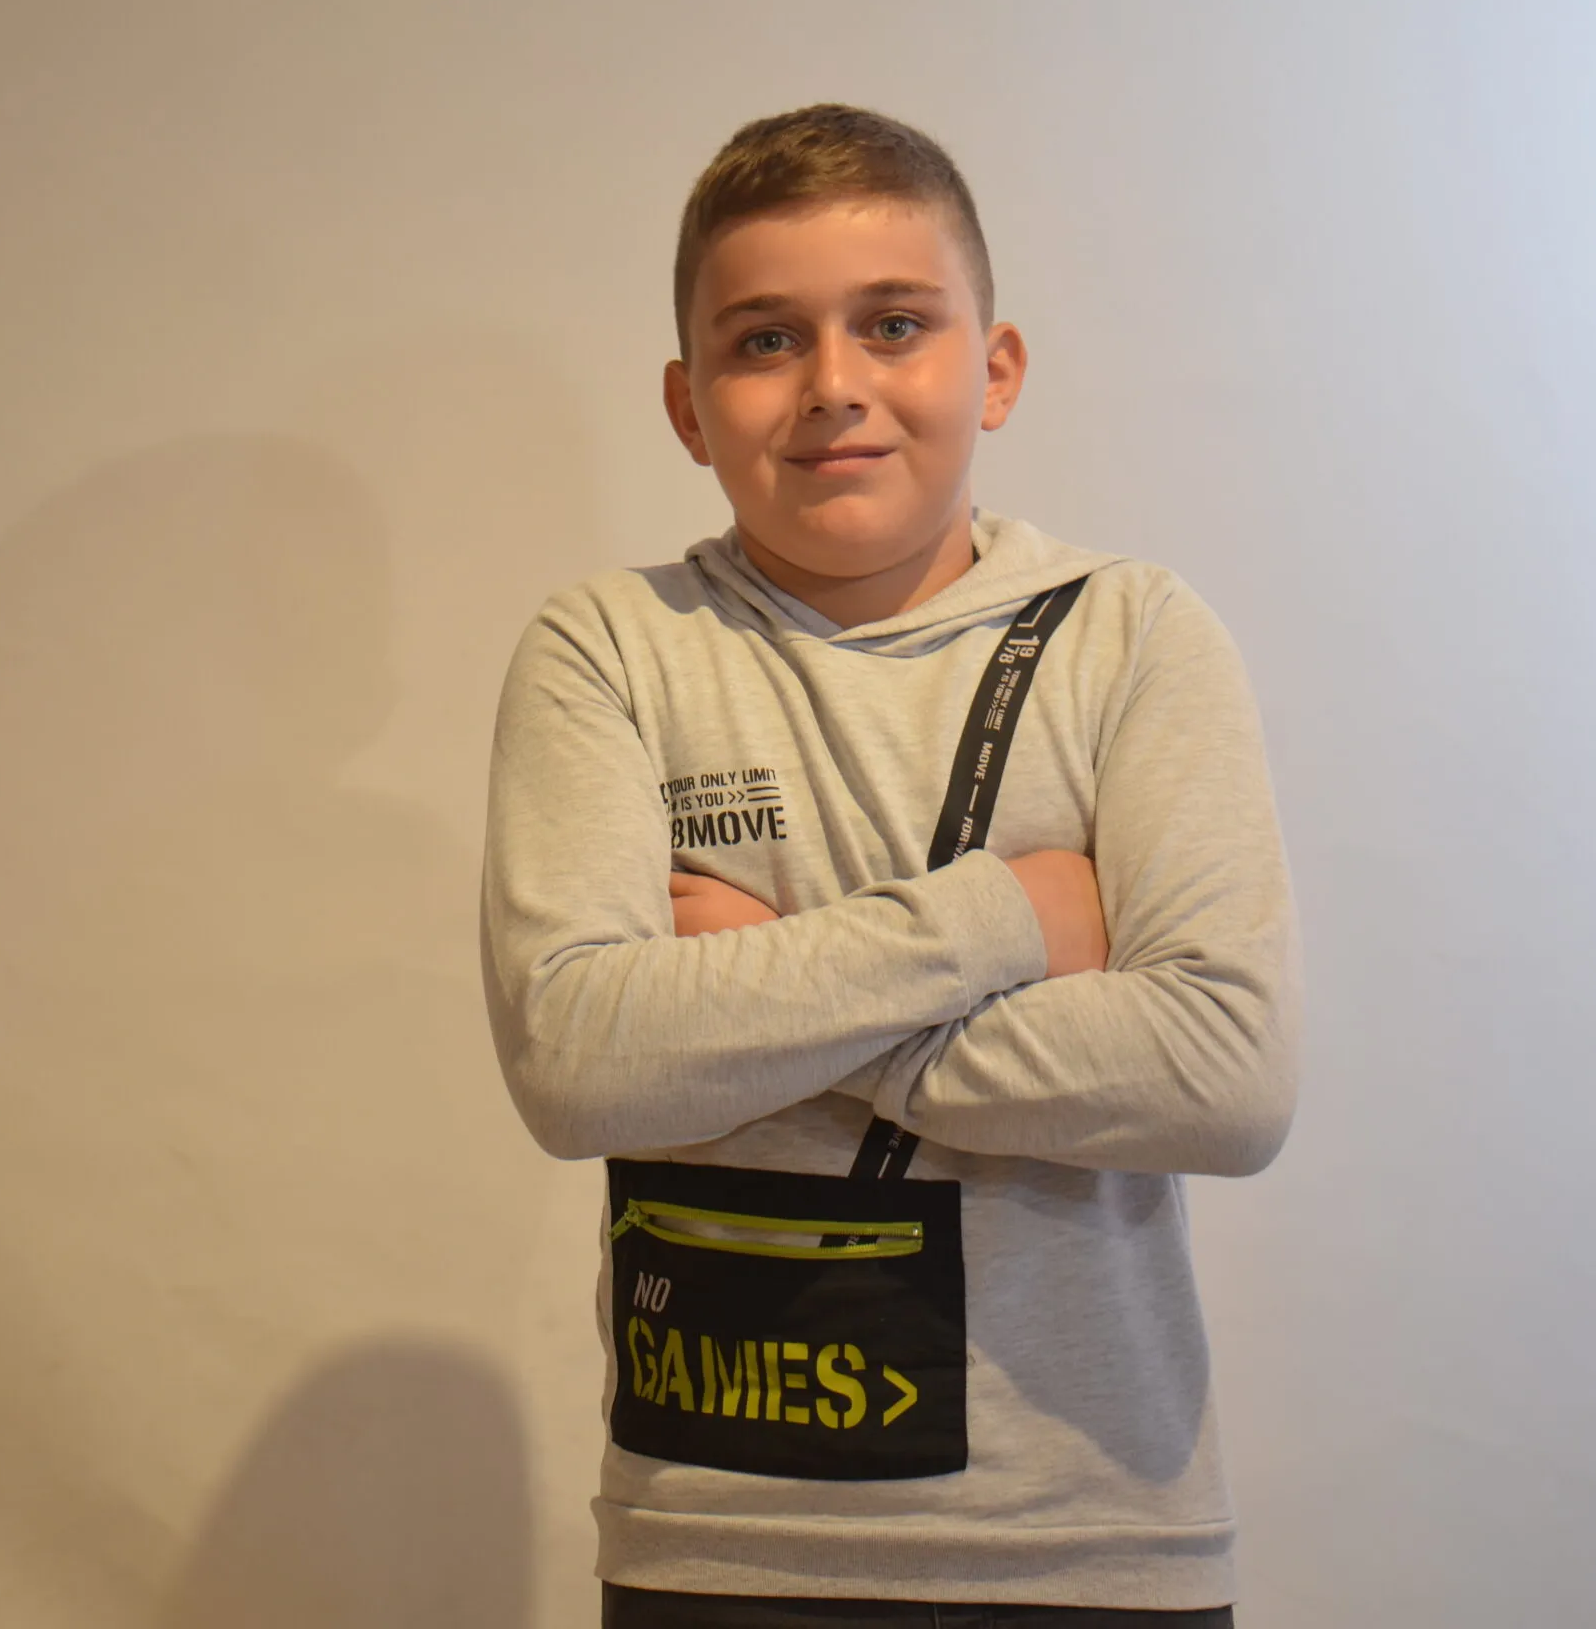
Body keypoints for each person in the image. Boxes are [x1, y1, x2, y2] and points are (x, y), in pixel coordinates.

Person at [480, 103, 1300, 1627]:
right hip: (715, 1539)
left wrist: (749, 990)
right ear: (688, 403)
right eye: (765, 340)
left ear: (996, 368)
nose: (834, 384)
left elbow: (1225, 1080)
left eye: (896, 324)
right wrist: (1008, 917)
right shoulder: (612, 649)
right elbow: (577, 1065)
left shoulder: (1133, 637)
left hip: (1094, 1543)